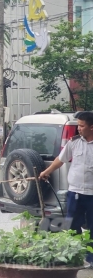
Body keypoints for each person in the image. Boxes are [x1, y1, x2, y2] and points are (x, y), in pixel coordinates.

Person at [39, 111, 93, 266]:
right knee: (72, 226)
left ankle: (91, 259)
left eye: (82, 126)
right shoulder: (74, 142)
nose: (79, 129)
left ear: (92, 127)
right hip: (75, 192)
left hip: (92, 194)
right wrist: (46, 172)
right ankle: (74, 256)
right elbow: (60, 160)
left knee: (92, 228)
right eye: (78, 126)